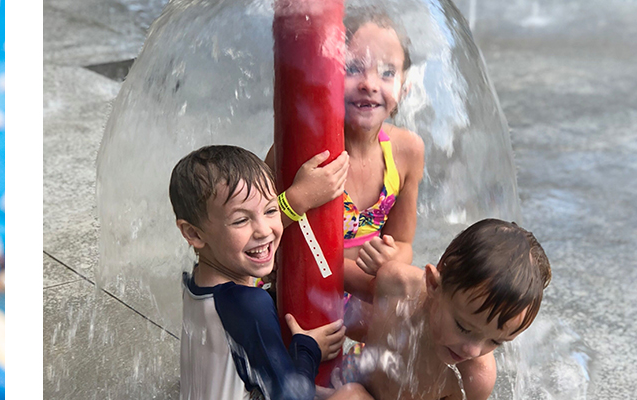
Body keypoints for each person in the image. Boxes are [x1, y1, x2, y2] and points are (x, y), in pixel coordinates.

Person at [266, 10, 427, 302]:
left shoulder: (407, 152)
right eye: (352, 68)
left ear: (405, 88)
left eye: (387, 72)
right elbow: (257, 229)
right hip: (302, 296)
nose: (370, 83)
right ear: (325, 77)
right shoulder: (299, 151)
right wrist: (297, 198)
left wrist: (391, 257)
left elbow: (404, 241)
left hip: (361, 300)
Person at [172, 145, 346, 400]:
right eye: (241, 220)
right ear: (194, 234)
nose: (264, 230)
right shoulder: (250, 304)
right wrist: (308, 349)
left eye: (271, 210)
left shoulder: (199, 282)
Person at [328, 219, 552, 400]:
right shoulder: (397, 285)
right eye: (464, 327)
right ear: (433, 284)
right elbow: (330, 271)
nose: (472, 350)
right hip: (357, 376)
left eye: (495, 342)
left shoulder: (476, 379)